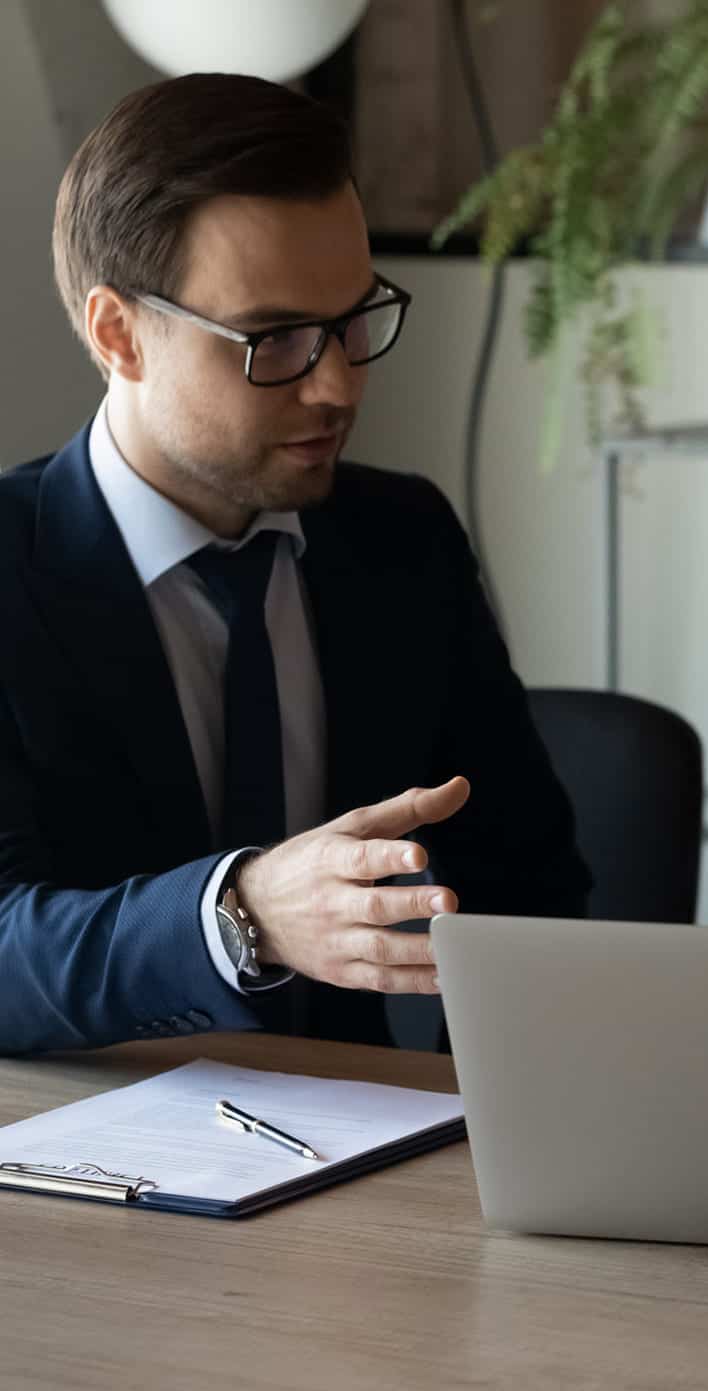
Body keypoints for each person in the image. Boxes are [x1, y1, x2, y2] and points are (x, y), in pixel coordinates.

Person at [0, 73, 589, 1054]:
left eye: (354, 319)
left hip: (365, 1129)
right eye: (274, 339)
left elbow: (528, 887)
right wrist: (239, 914)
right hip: (77, 1134)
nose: (338, 383)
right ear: (119, 335)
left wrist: (482, 1111)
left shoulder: (403, 541)